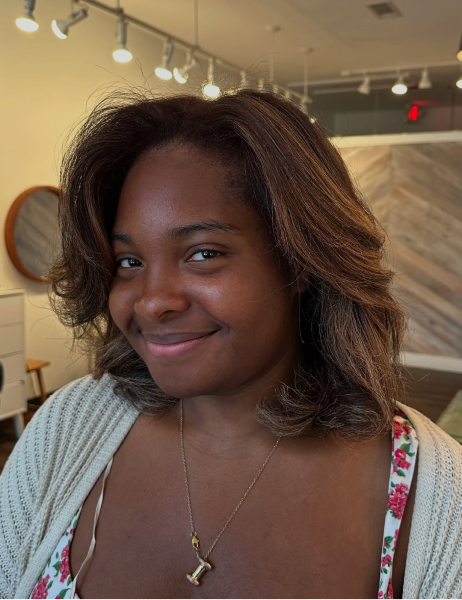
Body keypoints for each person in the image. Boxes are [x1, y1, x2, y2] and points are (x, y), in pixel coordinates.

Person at [1, 90, 461, 600]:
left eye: (203, 253)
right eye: (129, 262)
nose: (151, 302)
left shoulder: (439, 501)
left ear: (302, 261)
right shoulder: (65, 431)